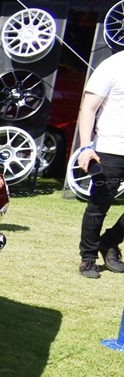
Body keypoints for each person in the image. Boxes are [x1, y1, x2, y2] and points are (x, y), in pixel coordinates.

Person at [74, 49, 124, 278]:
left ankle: (109, 242)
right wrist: (85, 147)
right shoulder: (111, 65)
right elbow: (89, 108)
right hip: (110, 148)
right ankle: (88, 258)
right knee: (99, 206)